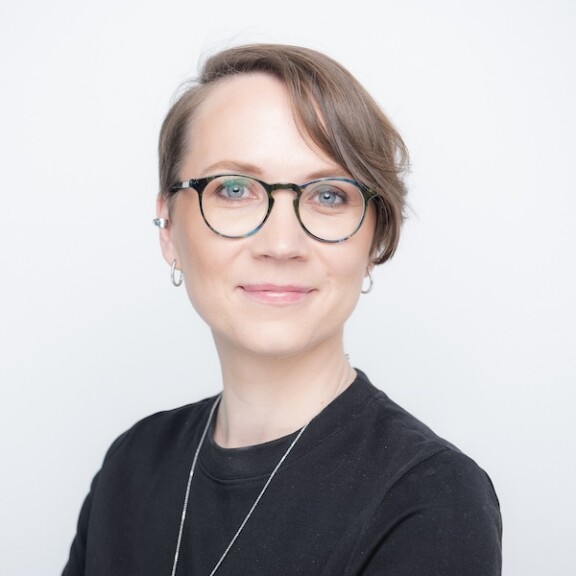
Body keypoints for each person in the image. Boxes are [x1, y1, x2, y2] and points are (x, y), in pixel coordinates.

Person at [62, 43, 502, 575]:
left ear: (375, 239)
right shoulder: (131, 465)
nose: (282, 243)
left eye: (329, 195)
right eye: (233, 189)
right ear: (169, 229)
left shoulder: (430, 498)